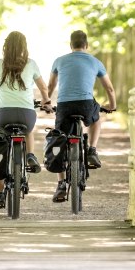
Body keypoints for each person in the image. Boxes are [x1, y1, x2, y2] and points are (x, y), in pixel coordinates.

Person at [0, 31, 52, 208]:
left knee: (1, 145)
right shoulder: (31, 64)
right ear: (24, 47)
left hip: (3, 114)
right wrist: (46, 102)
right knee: (28, 130)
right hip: (26, 114)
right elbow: (43, 87)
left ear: (6, 47)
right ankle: (31, 156)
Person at [47, 30, 116, 202]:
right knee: (96, 118)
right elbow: (109, 88)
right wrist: (112, 106)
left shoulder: (59, 61)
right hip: (85, 104)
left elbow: (50, 86)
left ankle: (61, 184)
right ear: (87, 45)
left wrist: (47, 102)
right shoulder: (95, 61)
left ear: (71, 45)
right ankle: (92, 149)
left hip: (64, 105)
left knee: (60, 139)